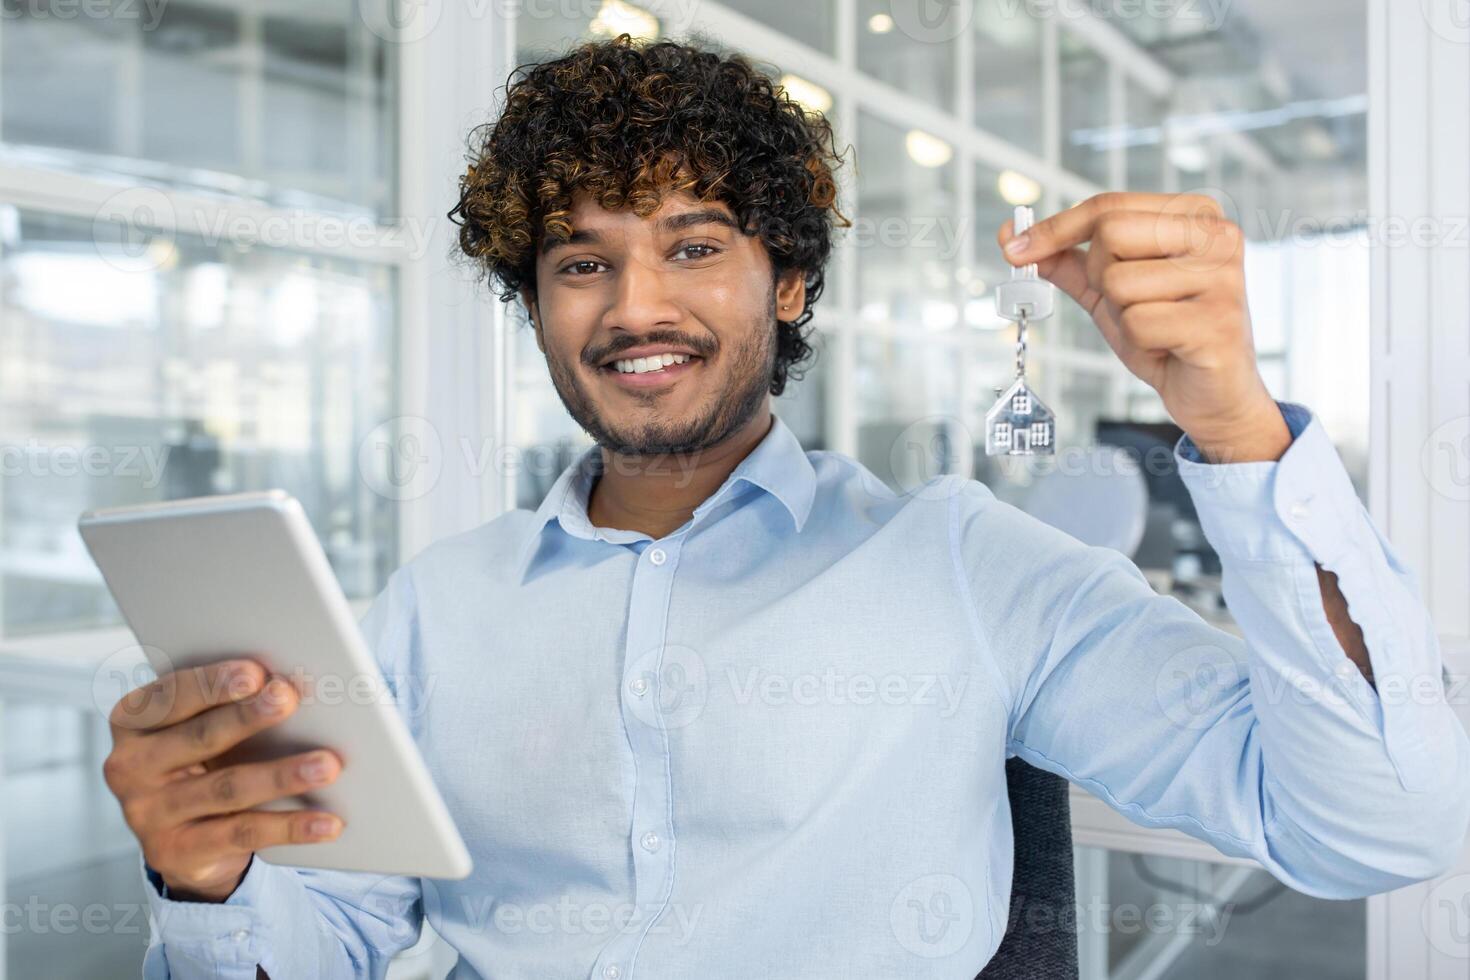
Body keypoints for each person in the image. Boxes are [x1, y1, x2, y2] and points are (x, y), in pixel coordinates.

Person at [104, 34, 1470, 980]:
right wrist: (208, 881)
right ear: (536, 303)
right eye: (582, 263)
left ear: (791, 283)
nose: (636, 307)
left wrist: (1232, 427)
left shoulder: (968, 566)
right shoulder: (432, 609)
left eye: (695, 247)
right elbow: (319, 943)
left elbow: (1377, 827)